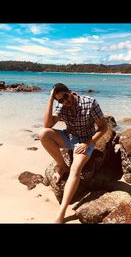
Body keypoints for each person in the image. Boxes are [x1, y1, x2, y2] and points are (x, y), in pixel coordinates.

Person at [39, 83, 108, 223]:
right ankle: (62, 165)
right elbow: (47, 125)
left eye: (65, 96)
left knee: (75, 169)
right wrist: (51, 100)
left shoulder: (90, 103)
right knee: (43, 134)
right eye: (61, 100)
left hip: (85, 141)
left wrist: (88, 143)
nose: (65, 101)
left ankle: (62, 211)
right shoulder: (61, 105)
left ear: (70, 91)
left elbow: (104, 127)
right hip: (69, 137)